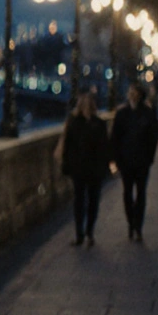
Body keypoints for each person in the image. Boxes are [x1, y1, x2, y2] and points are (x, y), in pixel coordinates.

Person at [61, 92, 110, 246]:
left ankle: (88, 231)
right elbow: (67, 146)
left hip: (93, 169)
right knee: (80, 201)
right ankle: (80, 233)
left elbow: (104, 147)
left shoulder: (98, 123)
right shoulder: (75, 122)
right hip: (80, 168)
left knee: (92, 201)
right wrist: (67, 164)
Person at [111, 82, 158, 242]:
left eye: (134, 92)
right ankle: (131, 222)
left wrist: (149, 157)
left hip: (142, 160)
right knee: (127, 192)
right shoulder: (122, 113)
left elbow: (153, 137)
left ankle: (137, 225)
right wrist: (116, 159)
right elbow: (115, 138)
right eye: (131, 92)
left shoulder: (147, 113)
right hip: (126, 160)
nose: (132, 94)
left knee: (141, 193)